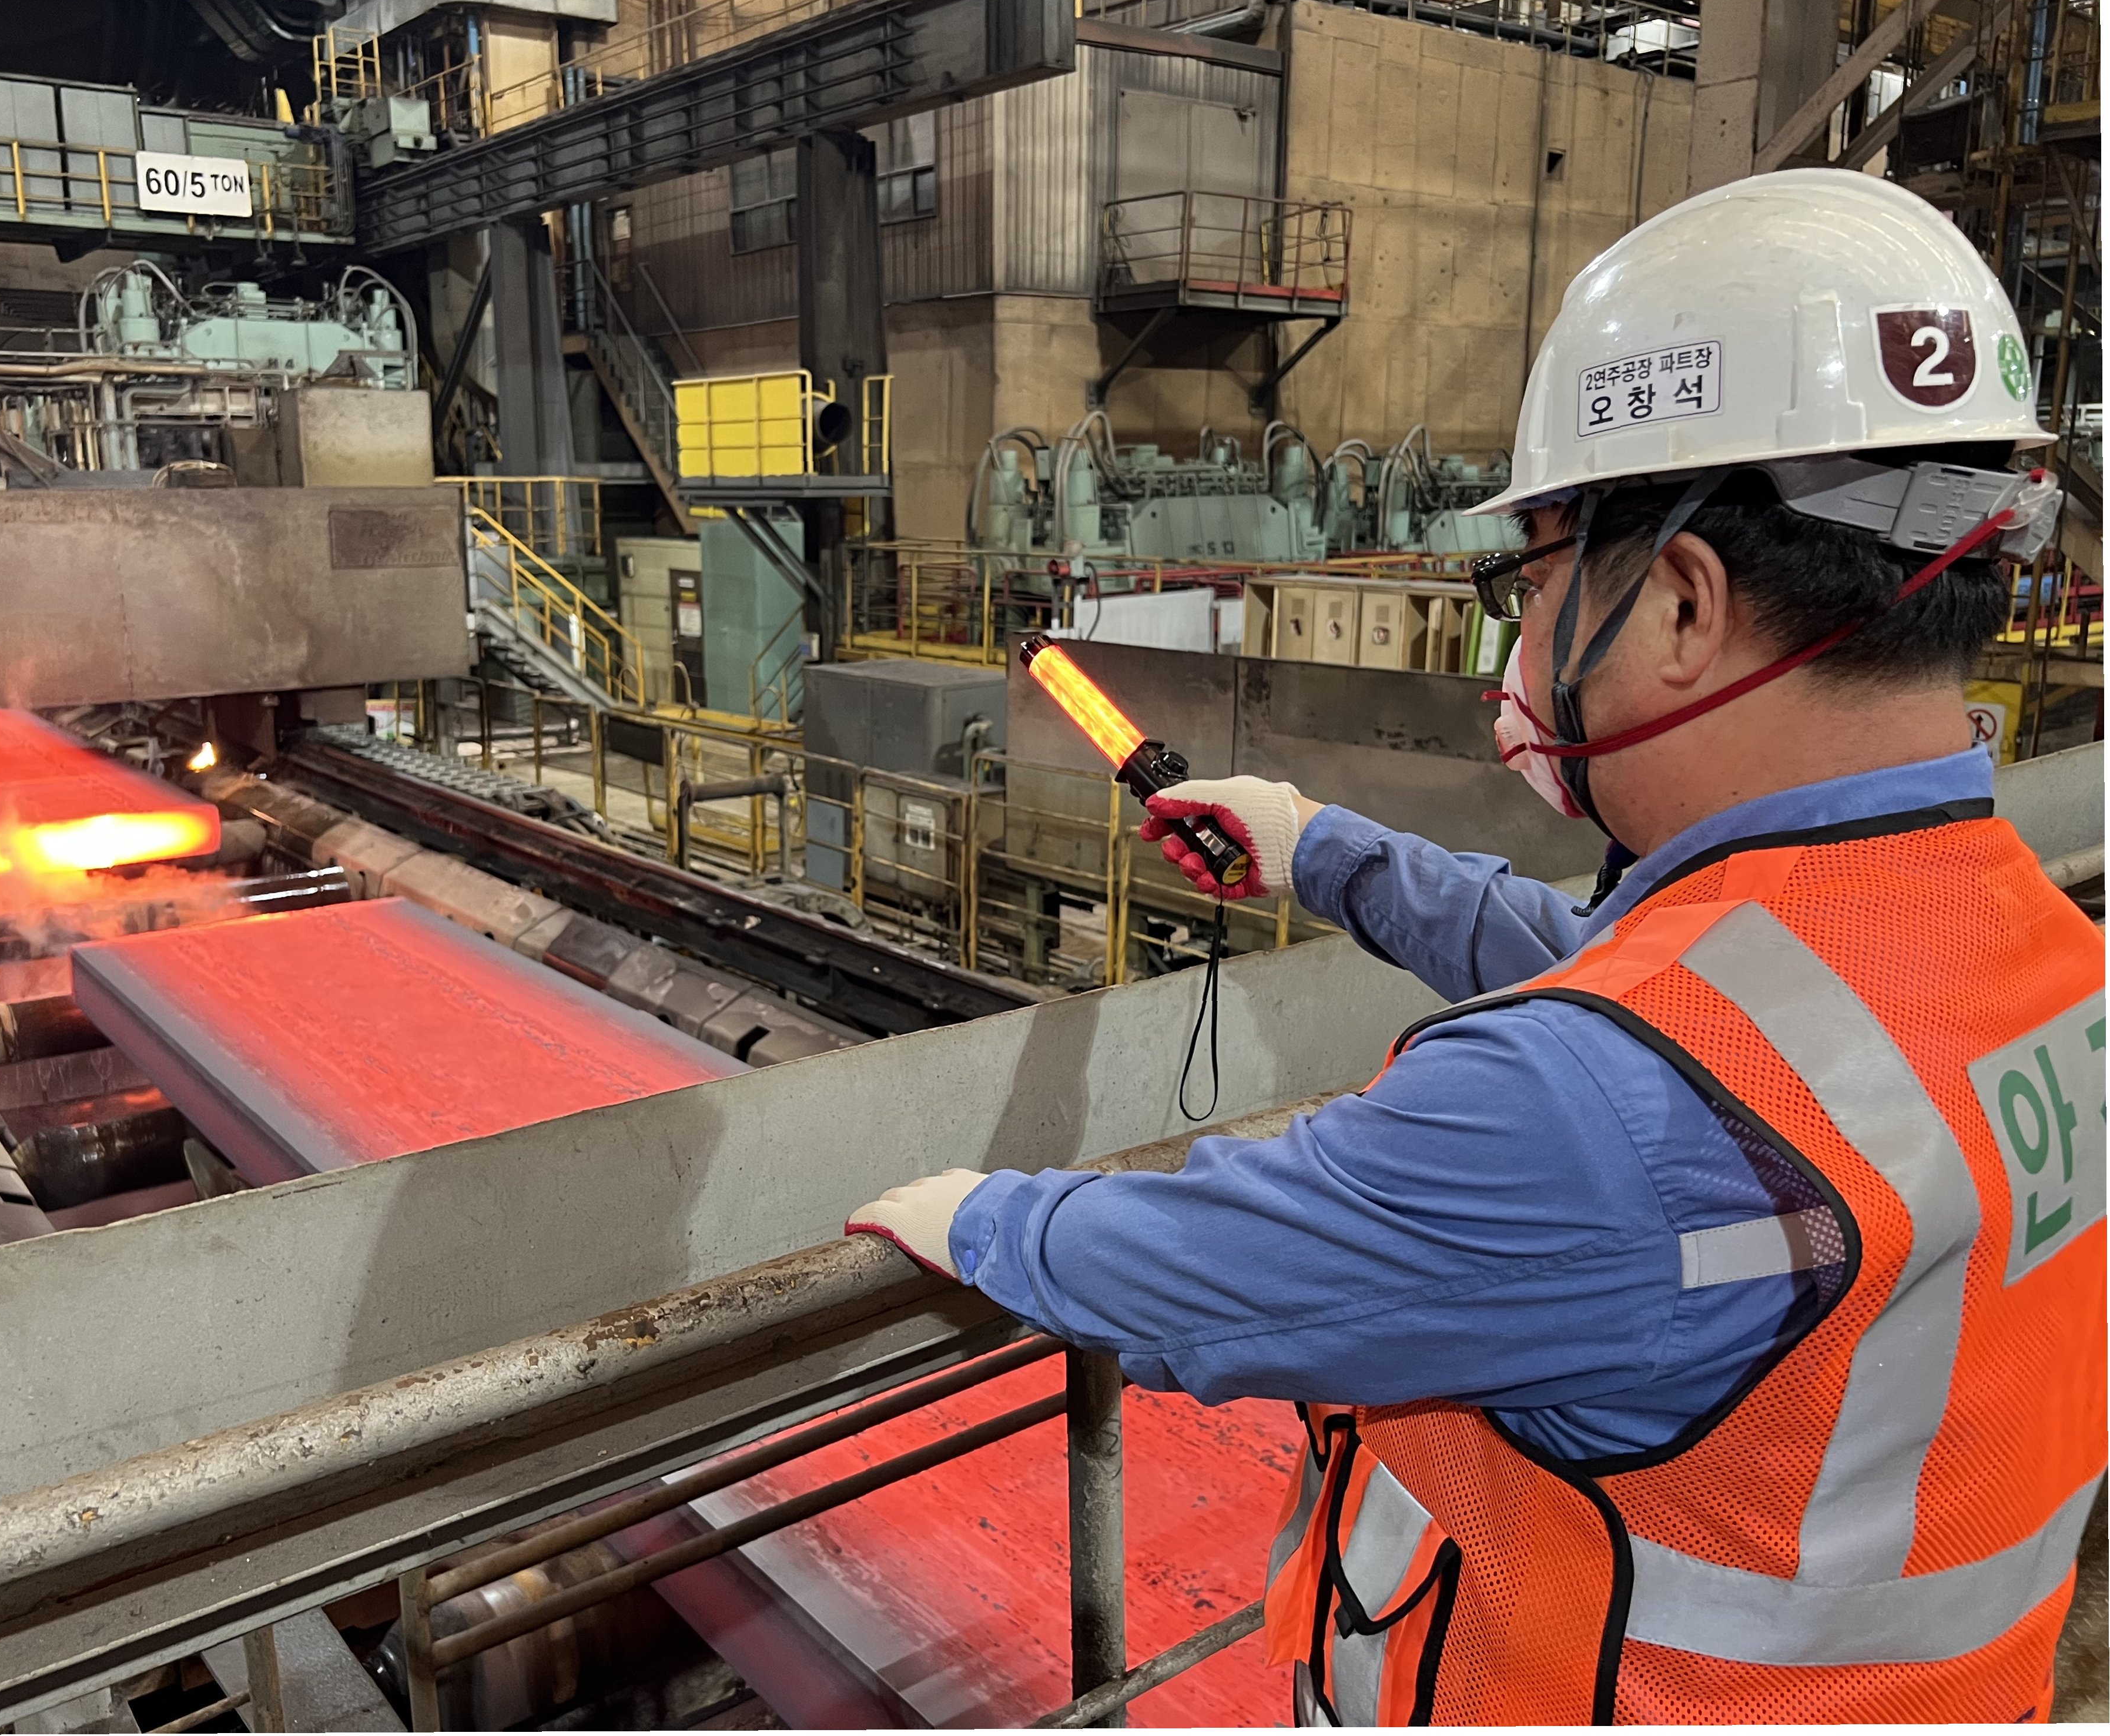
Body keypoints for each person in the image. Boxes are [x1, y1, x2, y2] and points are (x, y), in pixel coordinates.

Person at [847, 170, 2104, 1725]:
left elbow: (1207, 1274)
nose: (1524, 639)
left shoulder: (1584, 1111)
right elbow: (1656, 1006)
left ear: (1683, 605)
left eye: (1538, 578)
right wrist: (1322, 848)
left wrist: (979, 1222)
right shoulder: (2036, 954)